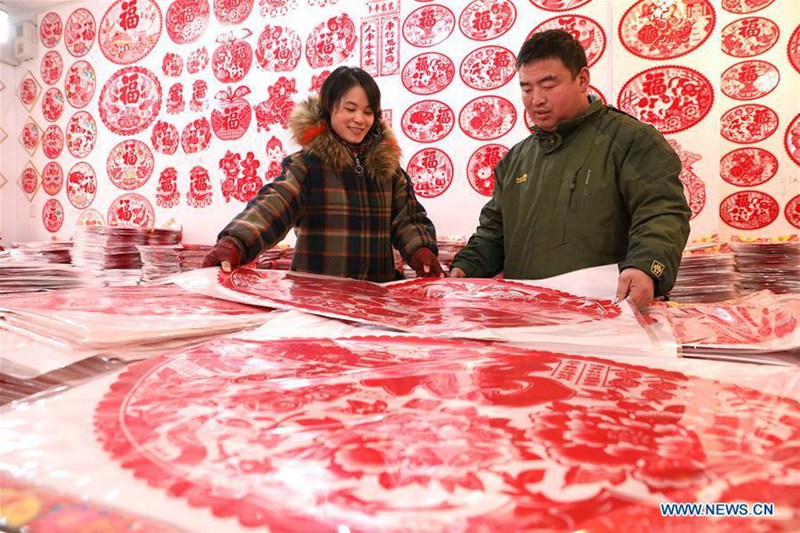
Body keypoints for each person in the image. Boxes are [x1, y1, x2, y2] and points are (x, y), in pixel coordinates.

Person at [450, 29, 690, 307]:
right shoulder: (516, 159)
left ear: (582, 79)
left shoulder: (630, 140)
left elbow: (662, 211)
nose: (536, 99)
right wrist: (465, 267)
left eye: (548, 85)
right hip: (528, 315)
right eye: (526, 88)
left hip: (608, 313)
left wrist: (647, 266)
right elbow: (494, 231)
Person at [202, 66, 444, 282]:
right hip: (318, 298)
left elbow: (408, 219)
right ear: (329, 109)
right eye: (350, 109)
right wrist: (235, 242)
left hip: (375, 296)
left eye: (368, 112)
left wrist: (421, 250)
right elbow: (274, 204)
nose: (359, 119)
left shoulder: (388, 170)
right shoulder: (308, 165)